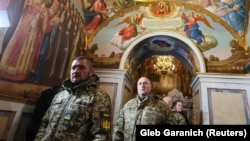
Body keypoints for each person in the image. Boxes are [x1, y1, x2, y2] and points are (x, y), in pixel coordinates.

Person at [34, 56, 112, 141]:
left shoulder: (99, 97)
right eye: (73, 68)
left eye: (81, 68)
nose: (76, 71)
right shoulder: (60, 95)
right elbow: (45, 123)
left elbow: (102, 135)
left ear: (91, 72)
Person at [112, 76, 173, 141]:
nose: (142, 85)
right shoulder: (128, 105)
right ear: (137, 87)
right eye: (140, 83)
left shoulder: (162, 106)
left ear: (151, 87)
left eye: (145, 83)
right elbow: (118, 129)